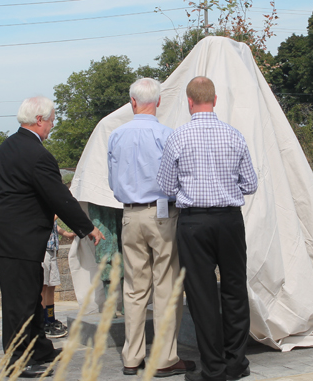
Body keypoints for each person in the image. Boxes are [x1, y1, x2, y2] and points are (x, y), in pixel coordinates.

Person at [0, 96, 105, 378]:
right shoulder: (38, 155)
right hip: (17, 239)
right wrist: (87, 228)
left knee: (30, 297)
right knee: (20, 303)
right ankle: (18, 362)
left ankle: (40, 350)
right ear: (39, 120)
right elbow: (59, 197)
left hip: (6, 236)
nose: (52, 126)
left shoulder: (8, 146)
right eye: (51, 121)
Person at [157, 76, 258, 381]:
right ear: (215, 100)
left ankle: (212, 368)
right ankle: (236, 363)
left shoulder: (178, 137)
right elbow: (251, 183)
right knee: (234, 290)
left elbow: (164, 185)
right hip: (229, 220)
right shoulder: (234, 135)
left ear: (189, 102)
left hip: (194, 222)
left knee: (201, 295)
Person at [107, 78, 195, 377]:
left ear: (132, 102)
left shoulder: (116, 135)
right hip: (162, 215)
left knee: (134, 289)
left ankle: (132, 357)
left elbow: (111, 180)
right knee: (166, 287)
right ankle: (163, 358)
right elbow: (178, 178)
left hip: (130, 214)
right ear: (158, 102)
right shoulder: (166, 135)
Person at [42, 216, 76, 339]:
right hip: (42, 250)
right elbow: (44, 218)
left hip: (52, 249)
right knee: (43, 287)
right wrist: (61, 209)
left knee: (51, 286)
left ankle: (50, 319)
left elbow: (53, 223)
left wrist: (67, 234)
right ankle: (42, 323)